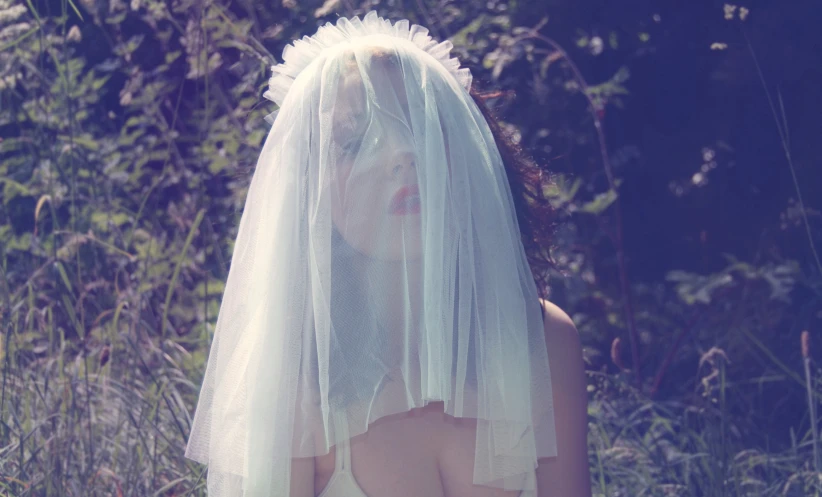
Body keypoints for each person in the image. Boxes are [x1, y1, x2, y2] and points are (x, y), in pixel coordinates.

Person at [184, 11, 591, 497]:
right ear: (311, 193)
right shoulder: (292, 375)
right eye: (355, 142)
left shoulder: (541, 341)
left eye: (416, 127)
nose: (400, 154)